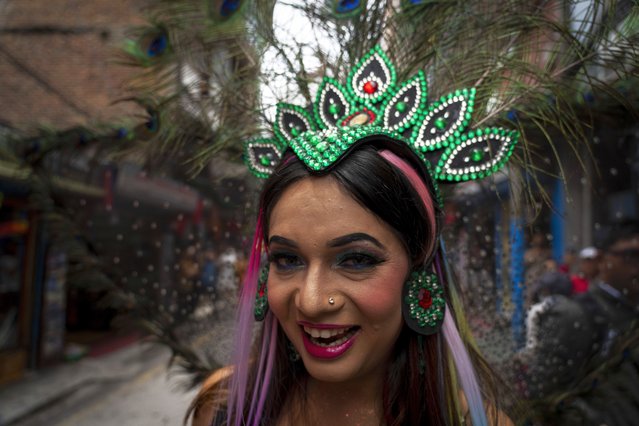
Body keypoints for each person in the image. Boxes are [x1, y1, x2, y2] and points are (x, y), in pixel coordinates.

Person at [186, 46, 517, 425]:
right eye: (287, 259)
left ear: (418, 265)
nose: (311, 302)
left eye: (356, 259)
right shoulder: (226, 405)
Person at [515, 224, 639, 425]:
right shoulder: (577, 316)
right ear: (604, 260)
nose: (637, 265)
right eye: (631, 255)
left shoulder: (629, 314)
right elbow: (542, 399)